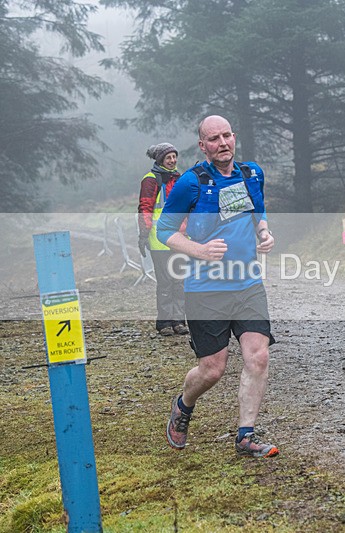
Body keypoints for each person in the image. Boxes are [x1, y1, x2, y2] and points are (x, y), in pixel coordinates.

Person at [157, 115, 279, 458]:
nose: (222, 142)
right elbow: (164, 231)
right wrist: (200, 250)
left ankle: (245, 436)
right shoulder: (190, 183)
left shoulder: (251, 173)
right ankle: (183, 405)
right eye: (214, 138)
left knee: (258, 356)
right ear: (203, 146)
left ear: (234, 137)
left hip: (247, 283)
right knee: (213, 369)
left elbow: (258, 210)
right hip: (205, 289)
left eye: (226, 135)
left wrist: (264, 233)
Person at [138, 142, 189, 336]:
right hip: (159, 240)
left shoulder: (181, 178)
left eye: (174, 157)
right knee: (166, 282)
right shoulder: (151, 180)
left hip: (181, 238)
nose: (173, 160)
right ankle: (165, 322)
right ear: (160, 160)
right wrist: (143, 235)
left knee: (179, 281)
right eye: (168, 157)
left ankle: (179, 321)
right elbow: (145, 208)